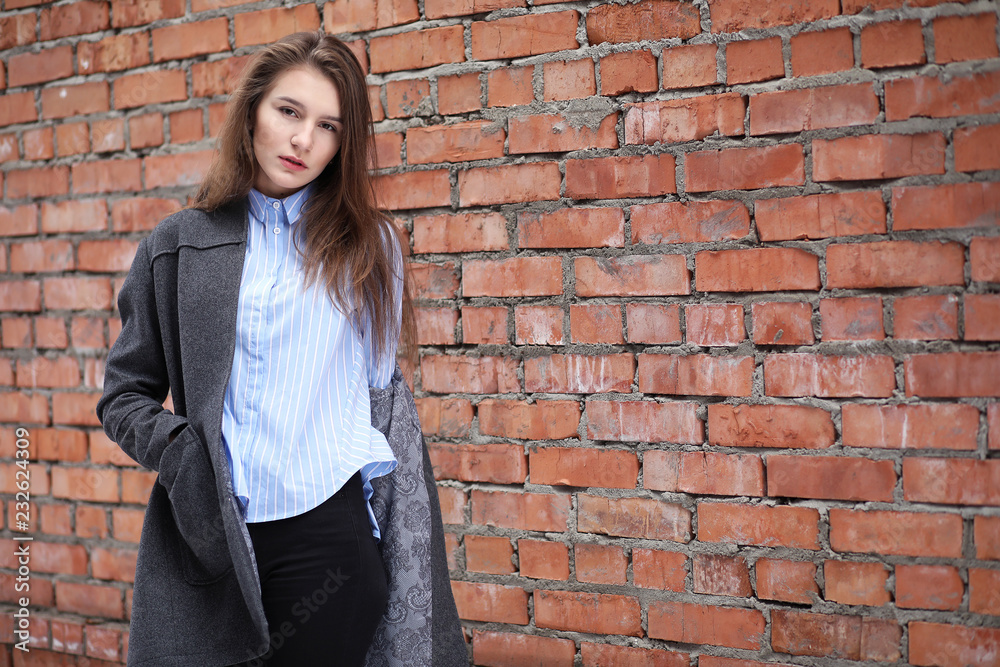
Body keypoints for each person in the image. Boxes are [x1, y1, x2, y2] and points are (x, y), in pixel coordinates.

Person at [96, 31, 466, 667]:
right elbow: (123, 396)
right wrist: (186, 456)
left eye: (328, 126)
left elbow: (380, 401)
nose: (304, 140)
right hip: (211, 541)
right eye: (289, 112)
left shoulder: (368, 248)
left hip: (330, 541)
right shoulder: (179, 244)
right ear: (253, 111)